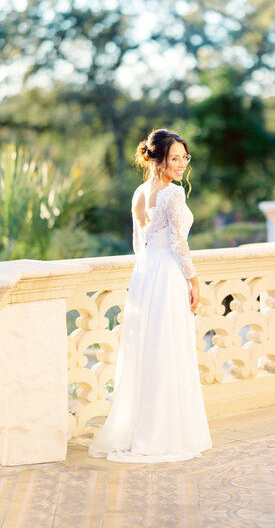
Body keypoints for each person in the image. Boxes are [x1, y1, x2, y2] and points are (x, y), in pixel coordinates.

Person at [88, 128, 213, 463]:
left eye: (184, 157)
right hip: (169, 275)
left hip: (145, 275)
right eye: (175, 158)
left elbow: (137, 245)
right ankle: (163, 433)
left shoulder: (139, 192)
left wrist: (147, 272)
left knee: (148, 350)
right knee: (167, 348)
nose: (182, 164)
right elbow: (178, 243)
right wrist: (194, 280)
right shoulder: (173, 194)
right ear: (158, 159)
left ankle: (142, 428)